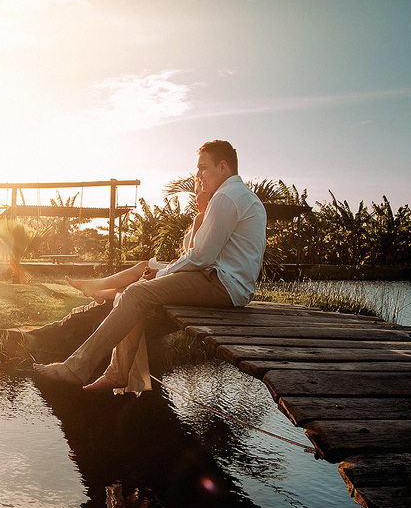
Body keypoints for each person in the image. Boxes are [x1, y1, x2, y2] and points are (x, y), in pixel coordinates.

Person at [33, 140, 266, 391]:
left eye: (203, 167)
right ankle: (117, 372)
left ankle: (76, 369)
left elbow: (201, 257)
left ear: (223, 167)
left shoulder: (227, 196)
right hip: (223, 282)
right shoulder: (239, 196)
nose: (198, 174)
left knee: (136, 293)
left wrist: (162, 273)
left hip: (222, 284)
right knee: (130, 293)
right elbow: (204, 254)